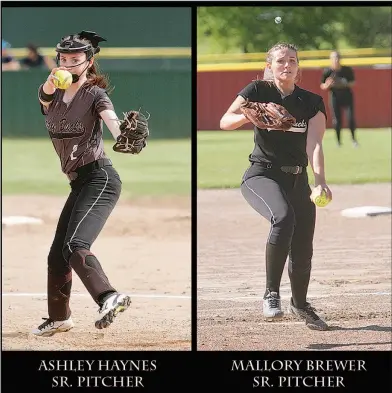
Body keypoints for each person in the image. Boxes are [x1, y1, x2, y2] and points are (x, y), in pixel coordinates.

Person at [220, 42, 333, 331]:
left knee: (303, 246)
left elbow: (315, 144)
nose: (287, 65)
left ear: (298, 67)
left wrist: (319, 182)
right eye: (281, 60)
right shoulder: (257, 91)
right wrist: (249, 115)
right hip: (262, 175)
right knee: (283, 218)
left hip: (299, 179)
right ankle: (271, 293)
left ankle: (301, 304)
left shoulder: (311, 102)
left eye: (292, 60)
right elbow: (225, 121)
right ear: (269, 65)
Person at [32, 31, 138, 336]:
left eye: (75, 60)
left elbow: (112, 121)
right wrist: (51, 83)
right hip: (78, 183)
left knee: (75, 244)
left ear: (89, 63)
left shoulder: (95, 95)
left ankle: (108, 296)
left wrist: (122, 136)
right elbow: (44, 96)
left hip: (100, 178)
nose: (67, 64)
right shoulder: (50, 95)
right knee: (57, 255)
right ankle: (59, 318)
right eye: (63, 59)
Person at [320, 51, 358, 147]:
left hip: (347, 95)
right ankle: (338, 142)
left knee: (350, 118)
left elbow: (353, 82)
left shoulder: (346, 70)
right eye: (333, 58)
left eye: (337, 58)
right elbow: (322, 85)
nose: (336, 60)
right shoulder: (328, 71)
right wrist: (328, 84)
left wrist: (343, 83)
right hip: (335, 96)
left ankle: (353, 139)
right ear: (330, 59)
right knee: (337, 119)